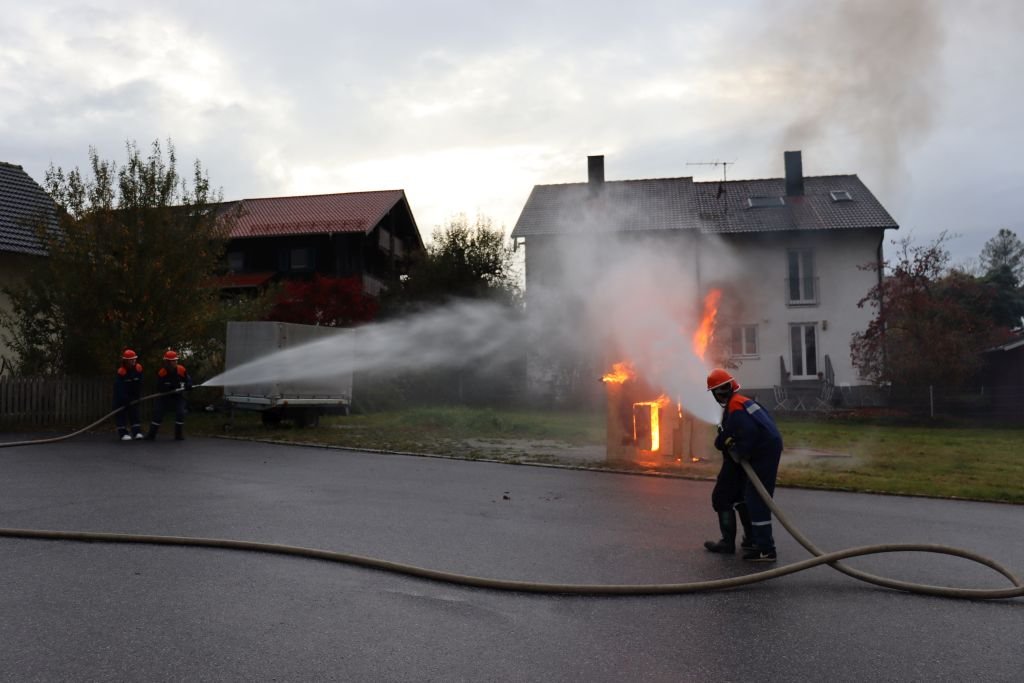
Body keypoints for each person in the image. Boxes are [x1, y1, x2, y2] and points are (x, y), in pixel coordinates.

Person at [703, 368, 783, 562]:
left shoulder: (736, 407)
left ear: (717, 392)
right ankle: (753, 540)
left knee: (757, 499)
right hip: (767, 449)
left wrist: (740, 451)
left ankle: (765, 549)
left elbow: (746, 432)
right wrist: (726, 439)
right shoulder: (741, 402)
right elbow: (741, 429)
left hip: (762, 454)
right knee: (745, 496)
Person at [144, 349, 193, 441]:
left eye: (175, 360)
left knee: (180, 412)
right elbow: (159, 387)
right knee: (158, 414)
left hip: (178, 396)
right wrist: (170, 387)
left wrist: (188, 385)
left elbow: (188, 379)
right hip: (164, 397)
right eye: (172, 361)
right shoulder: (162, 373)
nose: (175, 362)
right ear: (167, 362)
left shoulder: (181, 370)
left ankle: (178, 435)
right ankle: (151, 435)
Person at [113, 348, 145, 441]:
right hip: (121, 397)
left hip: (133, 396)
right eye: (131, 359)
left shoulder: (138, 369)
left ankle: (137, 432)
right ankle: (123, 433)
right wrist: (124, 399)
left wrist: (137, 396)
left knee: (134, 414)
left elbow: (140, 383)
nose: (133, 361)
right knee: (121, 415)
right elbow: (119, 388)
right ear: (126, 361)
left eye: (134, 359)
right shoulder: (121, 372)